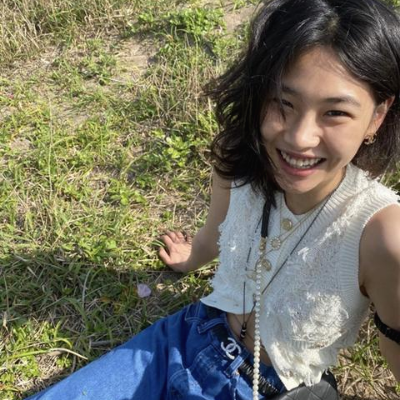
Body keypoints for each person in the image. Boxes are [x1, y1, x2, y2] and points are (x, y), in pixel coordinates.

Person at [26, 0, 400, 399]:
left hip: (267, 387)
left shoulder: (379, 234)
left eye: (335, 113)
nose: (299, 137)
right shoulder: (241, 163)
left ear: (377, 117)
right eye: (283, 103)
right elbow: (217, 230)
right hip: (187, 337)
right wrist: (192, 257)